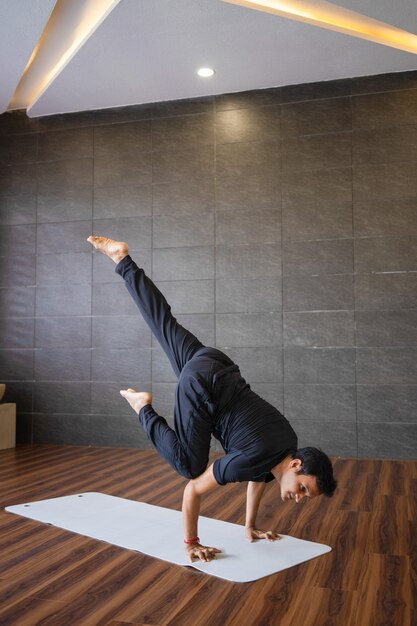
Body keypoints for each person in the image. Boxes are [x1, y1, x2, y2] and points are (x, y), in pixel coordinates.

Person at [87, 236, 337, 563]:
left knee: (162, 321)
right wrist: (191, 542)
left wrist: (249, 527)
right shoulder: (254, 458)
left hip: (214, 362)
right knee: (191, 467)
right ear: (296, 465)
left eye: (305, 497)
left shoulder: (286, 442)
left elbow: (260, 477)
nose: (298, 498)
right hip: (202, 386)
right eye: (303, 488)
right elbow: (193, 491)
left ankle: (123, 261)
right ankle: (142, 408)